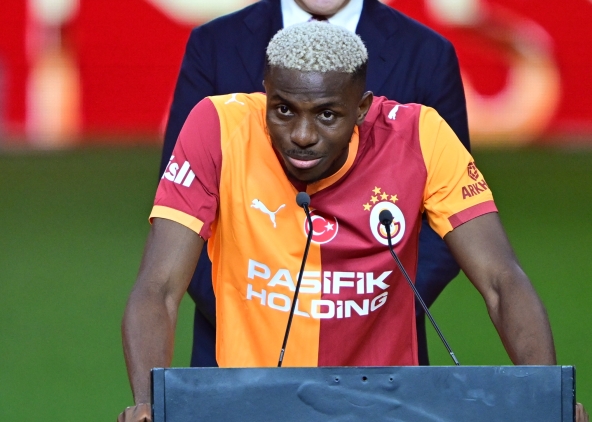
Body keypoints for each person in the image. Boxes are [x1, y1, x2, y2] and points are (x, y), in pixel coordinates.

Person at [119, 22, 557, 421]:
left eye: (327, 114)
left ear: (362, 108)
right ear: (265, 93)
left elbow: (501, 280)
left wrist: (548, 396)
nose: (302, 135)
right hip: (254, 406)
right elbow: (159, 288)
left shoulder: (421, 136)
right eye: (283, 110)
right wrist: (146, 404)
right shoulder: (217, 126)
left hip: (385, 408)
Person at [161, 0, 470, 367]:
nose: (304, 134)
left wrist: (363, 314)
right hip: (237, 353)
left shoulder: (428, 53)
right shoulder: (214, 42)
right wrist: (256, 314)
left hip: (378, 357)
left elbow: (450, 213)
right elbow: (181, 200)